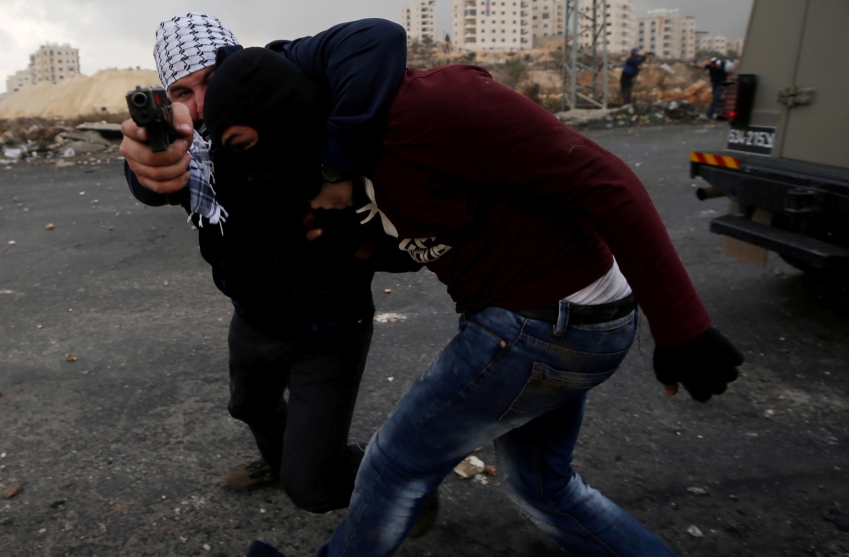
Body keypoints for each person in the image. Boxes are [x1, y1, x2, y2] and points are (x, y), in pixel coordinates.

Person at [202, 50, 745, 557]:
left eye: (248, 145)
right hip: (560, 325)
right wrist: (359, 244)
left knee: (395, 464)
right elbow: (433, 240)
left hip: (545, 320)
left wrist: (683, 327)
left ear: (283, 112)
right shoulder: (341, 164)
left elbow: (604, 180)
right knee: (543, 488)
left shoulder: (431, 105)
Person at [119, 14, 409, 515]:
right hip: (253, 318)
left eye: (212, 79)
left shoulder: (282, 82)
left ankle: (398, 481)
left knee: (313, 490)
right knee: (249, 406)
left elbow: (379, 38)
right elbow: (150, 176)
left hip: (330, 326)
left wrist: (336, 167)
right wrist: (143, 166)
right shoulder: (192, 150)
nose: (205, 103)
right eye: (184, 92)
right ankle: (288, 464)